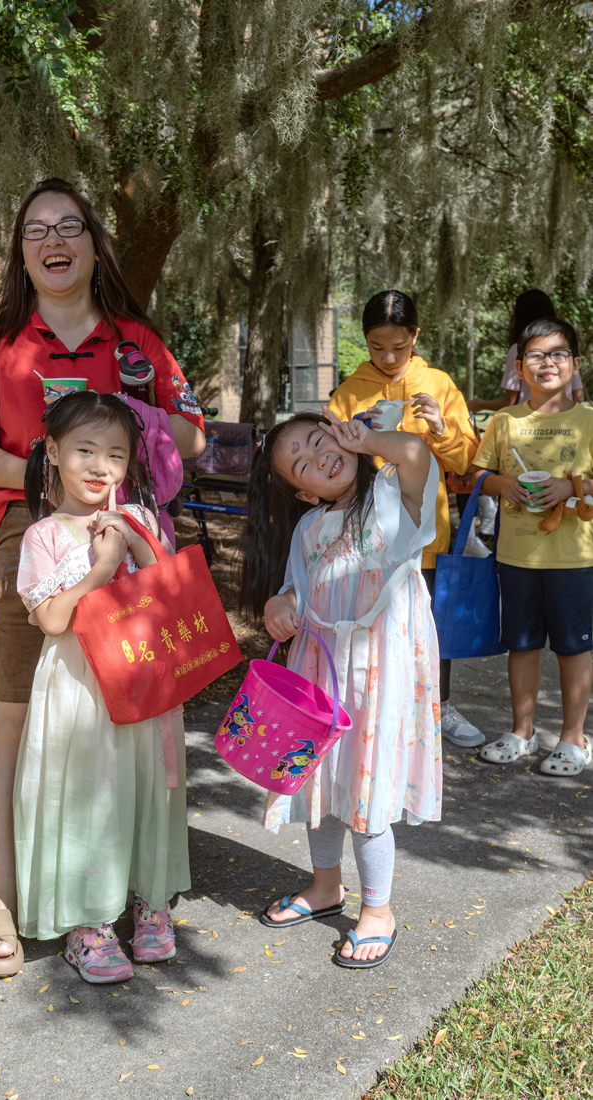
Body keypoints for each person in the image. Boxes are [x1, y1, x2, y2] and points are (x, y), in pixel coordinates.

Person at [0, 178, 204, 974]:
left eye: (69, 227)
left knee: (134, 713)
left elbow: (191, 435)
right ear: (21, 251)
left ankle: (127, 884)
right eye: (34, 230)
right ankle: (2, 899)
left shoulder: (135, 341)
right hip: (34, 535)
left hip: (131, 542)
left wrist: (130, 447)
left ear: (94, 243)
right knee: (23, 714)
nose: (53, 241)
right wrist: (51, 482)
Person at [239, 407, 441, 967]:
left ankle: (378, 910)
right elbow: (296, 592)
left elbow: (416, 453)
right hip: (323, 671)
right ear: (302, 495)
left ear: (336, 429)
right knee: (321, 780)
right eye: (301, 465)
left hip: (382, 670)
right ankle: (326, 886)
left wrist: (370, 438)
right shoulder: (310, 529)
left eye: (315, 440)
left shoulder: (394, 496)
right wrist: (278, 605)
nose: (318, 458)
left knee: (367, 780)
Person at [328, 290, 482, 748]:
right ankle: (379, 709)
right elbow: (330, 454)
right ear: (365, 340)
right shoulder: (350, 390)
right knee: (371, 621)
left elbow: (464, 460)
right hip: (364, 535)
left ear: (416, 335)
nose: (390, 356)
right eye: (377, 347)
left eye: (400, 345)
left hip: (424, 532)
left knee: (430, 621)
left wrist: (440, 426)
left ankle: (441, 706)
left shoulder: (437, 383)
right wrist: (357, 431)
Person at [471, 317, 593, 776]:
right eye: (536, 355)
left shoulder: (588, 420)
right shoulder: (504, 421)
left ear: (576, 364)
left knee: (572, 648)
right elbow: (476, 477)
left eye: (558, 353)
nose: (547, 363)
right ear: (519, 368)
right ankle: (521, 732)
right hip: (515, 556)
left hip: (575, 559)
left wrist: (570, 490)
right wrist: (501, 482)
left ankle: (573, 738)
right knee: (521, 646)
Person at [468, 290, 584, 414]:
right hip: (565, 421)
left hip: (528, 422)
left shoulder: (518, 349)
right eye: (536, 355)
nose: (547, 363)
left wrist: (479, 404)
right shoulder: (564, 351)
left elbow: (509, 402)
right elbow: (578, 396)